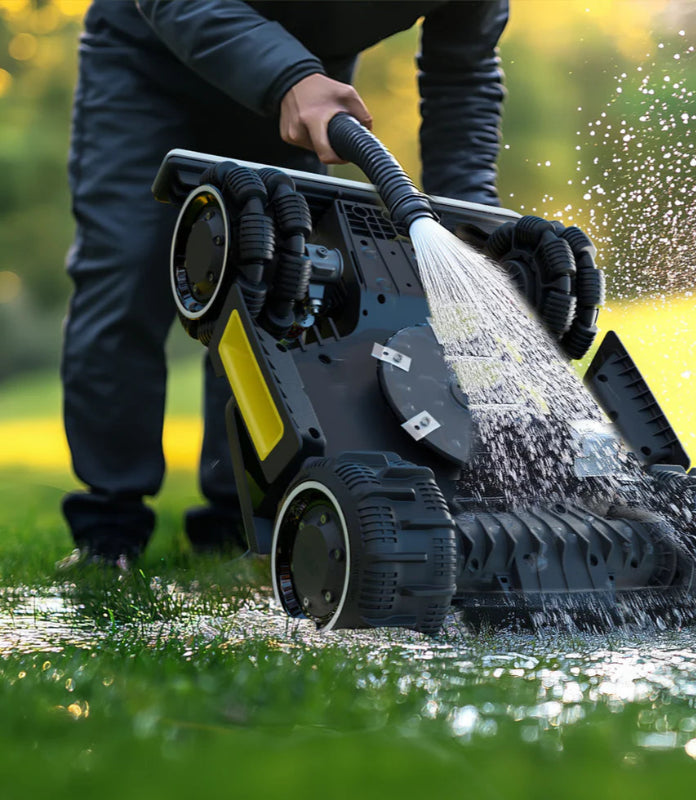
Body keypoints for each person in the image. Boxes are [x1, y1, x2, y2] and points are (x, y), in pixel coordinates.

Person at [60, 0, 508, 566]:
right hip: (148, 66)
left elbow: (462, 73)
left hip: (302, 89)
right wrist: (290, 75)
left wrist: (470, 215)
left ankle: (239, 516)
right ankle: (109, 525)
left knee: (271, 291)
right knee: (123, 272)